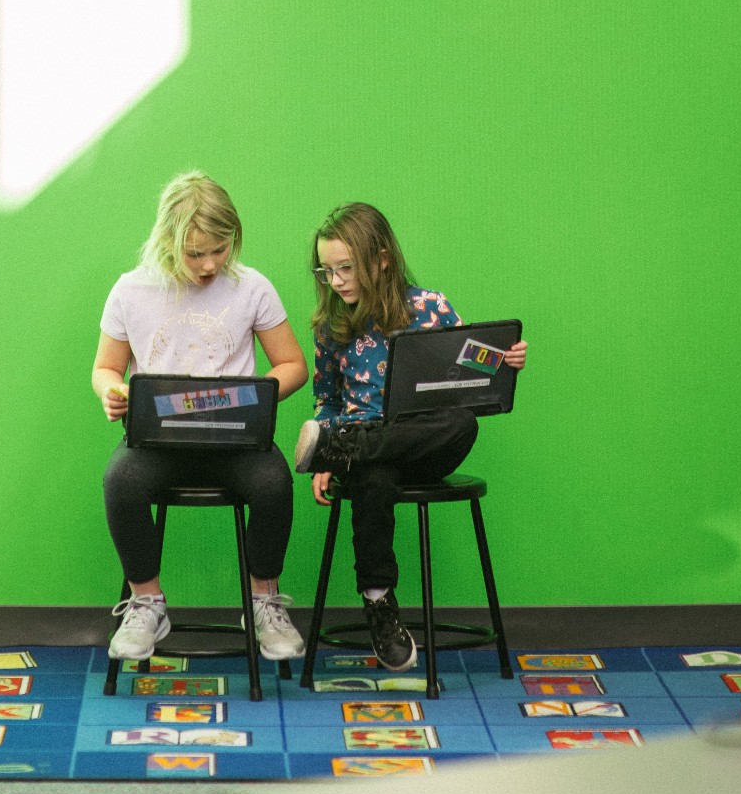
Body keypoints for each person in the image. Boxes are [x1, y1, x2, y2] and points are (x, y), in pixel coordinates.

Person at [293, 202, 527, 672]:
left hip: (424, 442)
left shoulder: (429, 308)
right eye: (327, 271)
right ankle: (379, 602)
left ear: (381, 259)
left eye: (346, 268)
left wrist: (504, 360)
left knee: (462, 423)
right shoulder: (331, 327)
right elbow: (327, 402)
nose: (336, 281)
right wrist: (327, 453)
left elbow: (470, 372)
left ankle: (347, 451)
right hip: (368, 450)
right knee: (374, 478)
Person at [93, 171, 309, 662]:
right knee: (120, 480)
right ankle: (147, 601)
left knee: (274, 482)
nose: (210, 264)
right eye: (196, 253)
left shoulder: (252, 287)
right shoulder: (131, 291)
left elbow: (294, 364)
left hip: (234, 440)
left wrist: (251, 396)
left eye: (220, 249)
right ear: (167, 239)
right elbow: (106, 367)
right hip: (158, 443)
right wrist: (113, 391)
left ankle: (263, 603)